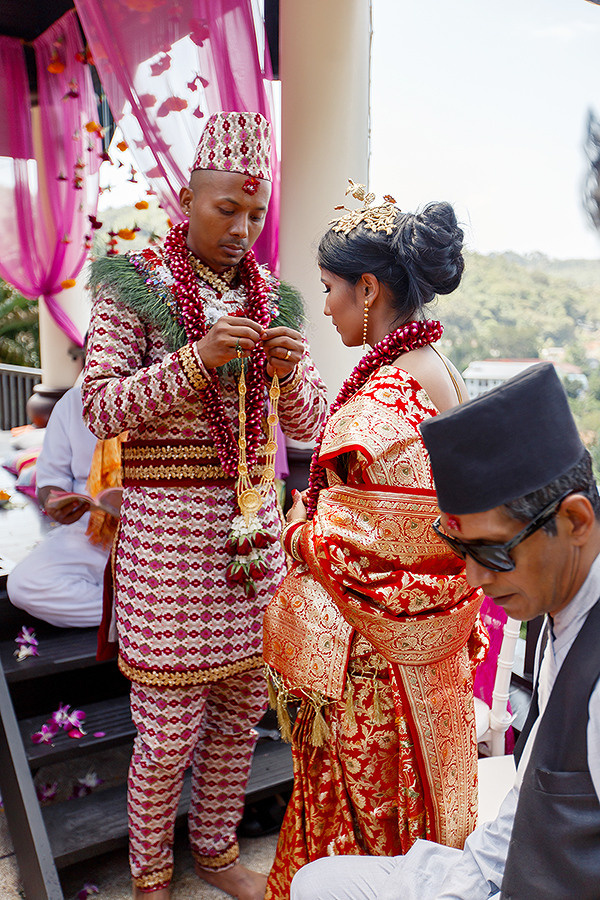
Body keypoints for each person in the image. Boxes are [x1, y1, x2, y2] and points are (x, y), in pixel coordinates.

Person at [82, 111, 327, 900]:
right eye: (227, 209)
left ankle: (216, 852)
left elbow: (317, 426)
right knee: (165, 740)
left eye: (255, 213)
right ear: (188, 197)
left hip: (253, 549)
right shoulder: (134, 282)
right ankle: (151, 872)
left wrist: (289, 377)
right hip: (167, 552)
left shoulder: (273, 296)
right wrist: (194, 360)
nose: (242, 228)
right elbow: (99, 409)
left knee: (237, 724)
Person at [290, 360, 600, 900]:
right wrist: (461, 880)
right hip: (506, 871)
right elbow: (536, 799)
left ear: (574, 522)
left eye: (491, 551)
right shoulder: (565, 594)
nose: (475, 579)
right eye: (459, 551)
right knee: (319, 882)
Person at [262, 184, 487, 898]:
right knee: (431, 826)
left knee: (367, 841)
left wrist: (296, 531)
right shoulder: (441, 374)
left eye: (329, 288)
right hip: (436, 658)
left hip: (376, 675)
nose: (324, 305)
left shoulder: (379, 406)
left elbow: (359, 557)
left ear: (367, 287)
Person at [6, 381, 112, 628]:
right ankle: (138, 613)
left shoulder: (169, 394)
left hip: (162, 536)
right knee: (25, 585)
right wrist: (54, 502)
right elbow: (50, 480)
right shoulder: (74, 402)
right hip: (91, 534)